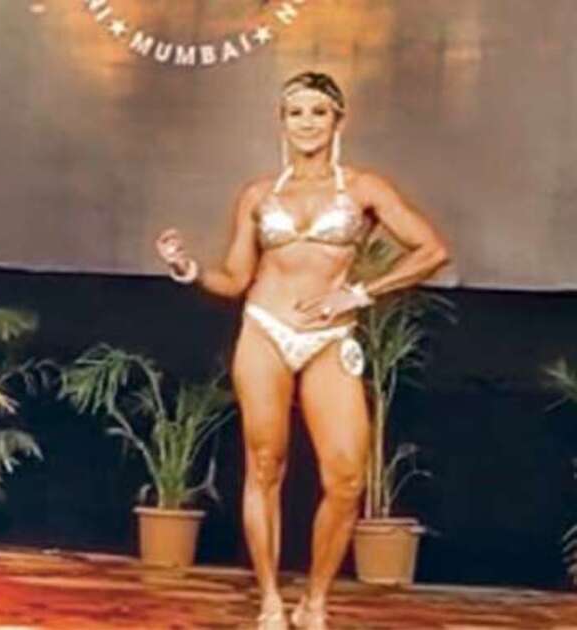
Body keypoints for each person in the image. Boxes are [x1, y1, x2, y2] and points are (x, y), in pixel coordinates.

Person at [155, 71, 448, 629]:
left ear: (338, 120)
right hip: (266, 328)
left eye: (318, 112)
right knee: (265, 465)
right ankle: (269, 600)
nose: (307, 123)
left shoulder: (363, 188)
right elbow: (235, 278)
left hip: (328, 335)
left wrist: (358, 293)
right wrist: (187, 268)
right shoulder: (259, 194)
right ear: (282, 122)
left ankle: (315, 601)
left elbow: (431, 250)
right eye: (296, 112)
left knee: (346, 476)